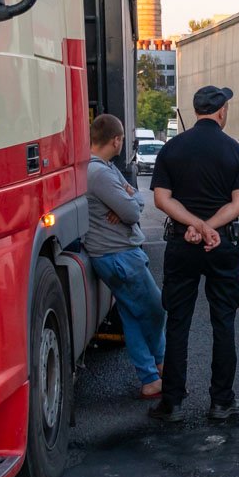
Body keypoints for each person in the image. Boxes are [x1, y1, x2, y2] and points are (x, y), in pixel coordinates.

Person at [151, 86, 239, 422]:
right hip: (223, 244)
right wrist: (210, 227)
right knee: (223, 321)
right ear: (221, 110)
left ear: (196, 110)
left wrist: (195, 225)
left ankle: (172, 402)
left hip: (182, 242)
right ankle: (222, 401)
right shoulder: (235, 151)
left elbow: (162, 199)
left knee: (178, 321)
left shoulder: (172, 148)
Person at [83, 114, 167, 400]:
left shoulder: (102, 168)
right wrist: (128, 201)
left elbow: (136, 199)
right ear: (116, 140)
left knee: (132, 315)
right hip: (120, 255)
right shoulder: (102, 174)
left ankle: (150, 378)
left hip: (110, 254)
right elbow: (133, 211)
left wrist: (129, 199)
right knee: (156, 310)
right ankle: (159, 365)